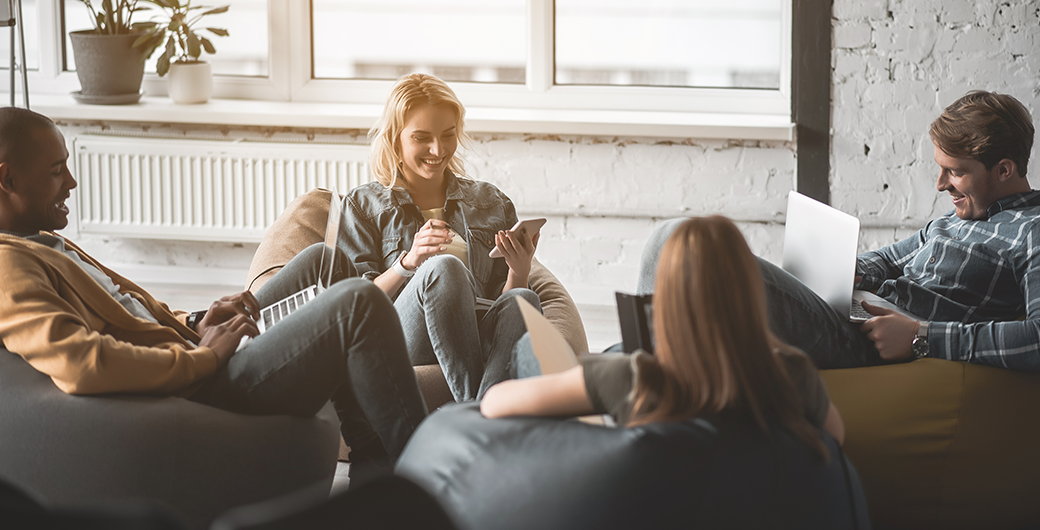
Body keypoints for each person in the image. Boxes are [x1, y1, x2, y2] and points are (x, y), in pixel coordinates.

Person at [0, 107, 427, 478]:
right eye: (56, 171)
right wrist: (203, 357)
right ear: (7, 180)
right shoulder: (8, 267)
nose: (71, 182)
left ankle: (370, 455)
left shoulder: (37, 239)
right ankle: (429, 477)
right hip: (200, 385)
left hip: (193, 345)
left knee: (324, 261)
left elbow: (126, 309)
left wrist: (196, 321)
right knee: (357, 303)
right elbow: (82, 363)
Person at [639, 90, 1039, 371]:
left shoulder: (1031, 231)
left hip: (869, 340)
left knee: (686, 246)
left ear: (1003, 170)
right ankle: (644, 364)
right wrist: (848, 271)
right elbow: (886, 259)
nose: (939, 185)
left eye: (955, 172)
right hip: (854, 309)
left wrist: (921, 336)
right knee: (670, 241)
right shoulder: (959, 217)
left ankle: (639, 370)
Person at [481, 216, 846, 452]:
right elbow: (836, 441)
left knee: (533, 347)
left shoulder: (635, 378)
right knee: (617, 349)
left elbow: (494, 403)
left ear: (663, 300)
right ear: (753, 294)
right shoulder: (792, 374)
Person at [341, 73, 541, 403]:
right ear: (395, 139)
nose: (438, 149)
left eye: (447, 135)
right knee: (443, 269)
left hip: (474, 333)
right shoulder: (364, 207)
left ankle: (481, 416)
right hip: (401, 336)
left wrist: (518, 271)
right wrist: (408, 263)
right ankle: (475, 410)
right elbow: (352, 306)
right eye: (422, 138)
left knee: (526, 300)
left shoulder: (490, 203)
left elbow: (500, 306)